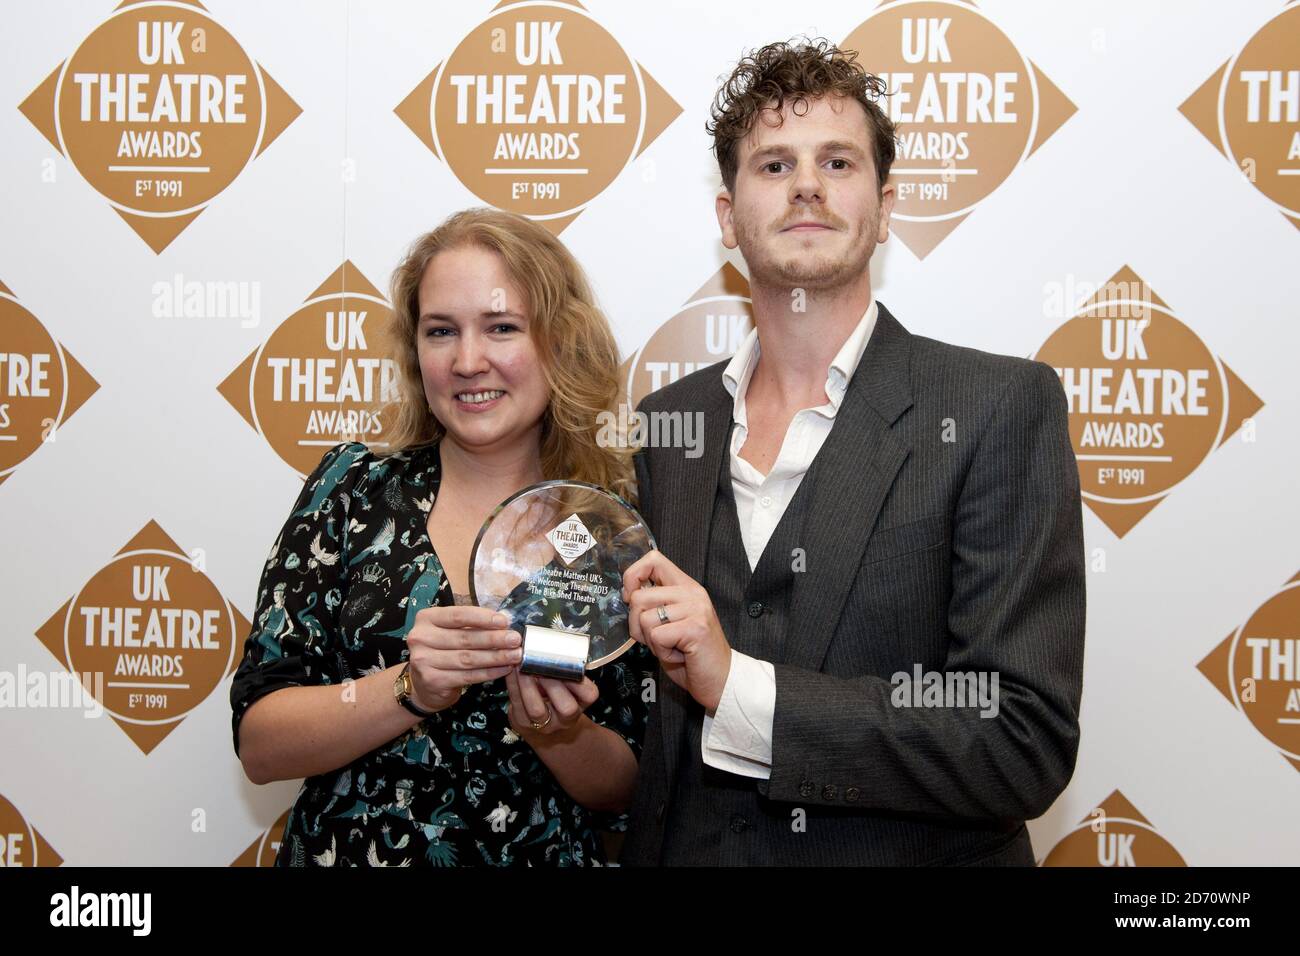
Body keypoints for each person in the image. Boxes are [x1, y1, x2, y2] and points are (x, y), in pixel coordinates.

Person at [619, 39, 1086, 866]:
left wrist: (744, 689)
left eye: (837, 161)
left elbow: (1021, 737)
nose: (807, 184)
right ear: (727, 216)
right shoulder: (668, 422)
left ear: (885, 205)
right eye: (773, 165)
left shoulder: (996, 408)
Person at [231, 208, 654, 867]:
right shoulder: (353, 490)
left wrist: (559, 731)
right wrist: (409, 689)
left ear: (559, 342)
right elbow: (261, 745)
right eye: (440, 331)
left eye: (502, 328)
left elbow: (629, 789)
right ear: (415, 349)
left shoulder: (603, 529)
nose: (466, 361)